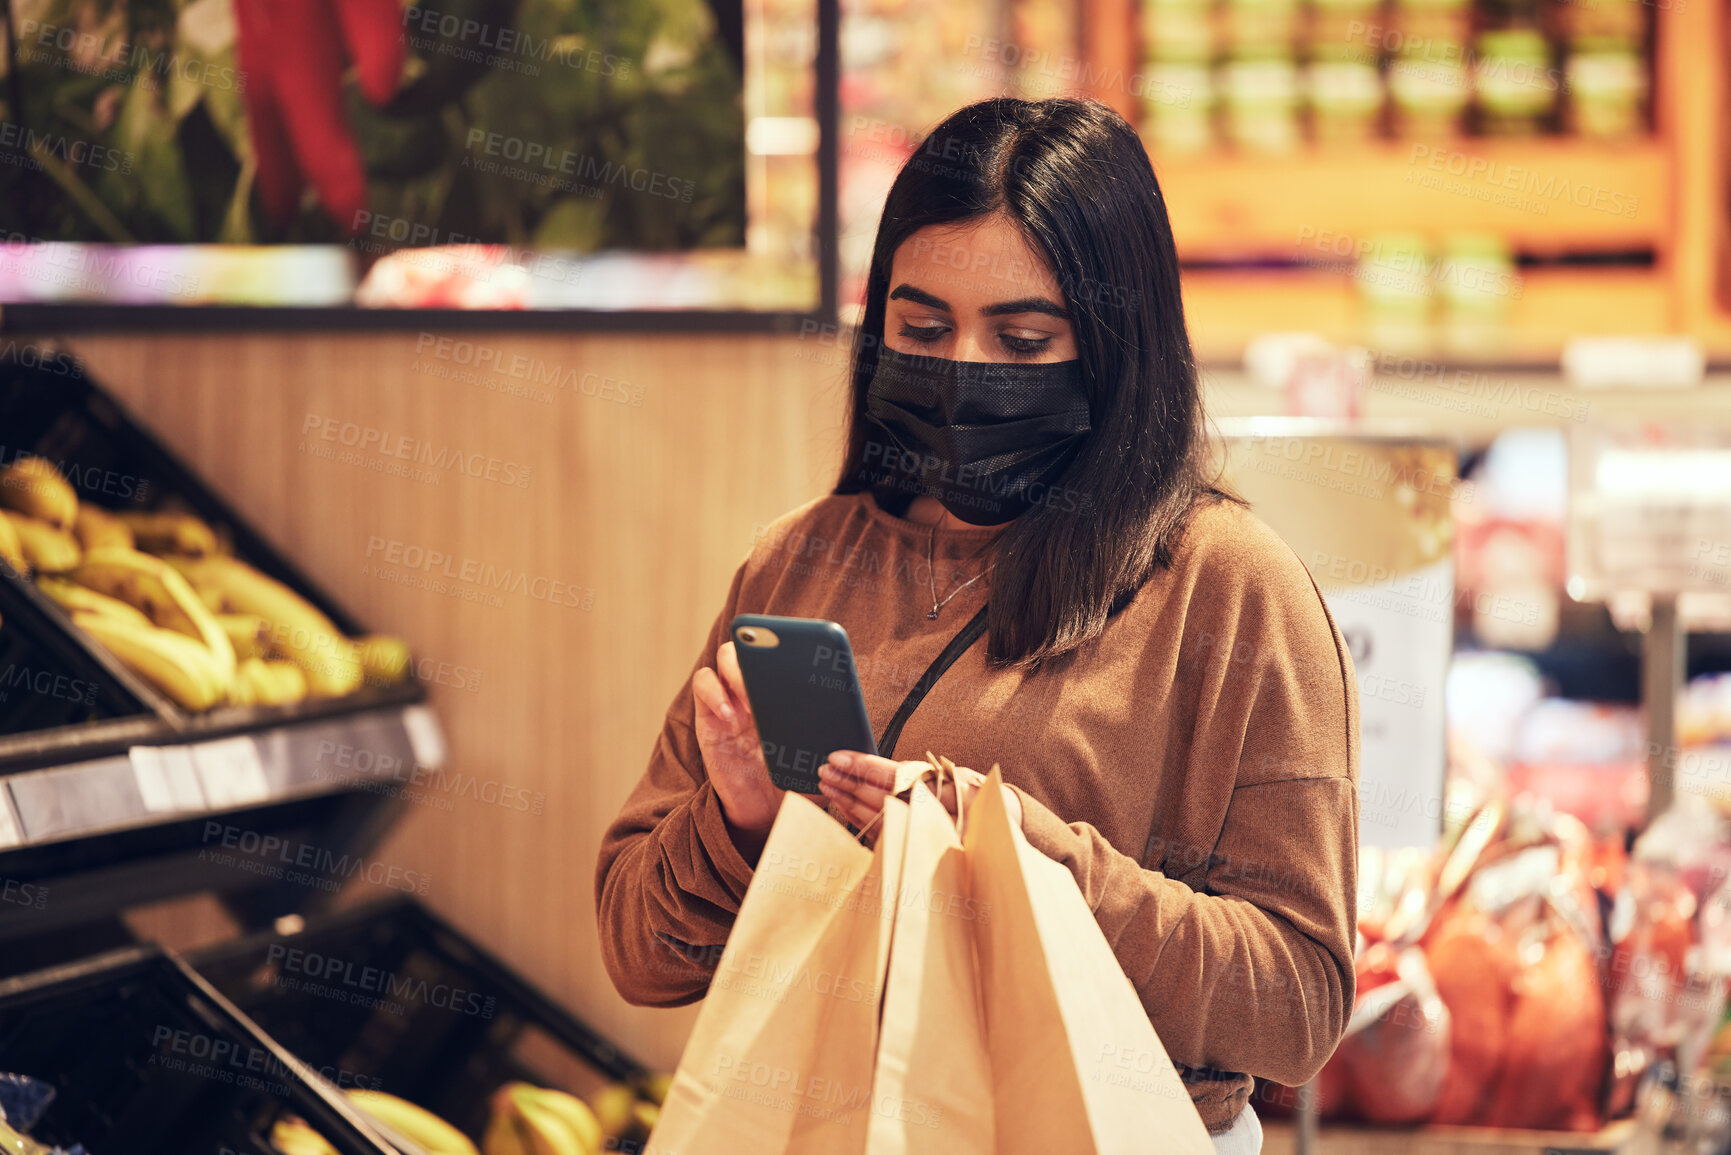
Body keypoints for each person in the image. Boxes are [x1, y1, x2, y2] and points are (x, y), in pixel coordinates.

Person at [595, 96, 1359, 1153]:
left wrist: (1039, 867)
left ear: (1113, 347)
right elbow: (640, 955)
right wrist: (743, 828)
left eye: (1022, 337)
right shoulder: (798, 564)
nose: (962, 368)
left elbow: (1299, 1005)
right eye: (920, 328)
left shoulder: (1229, 590)